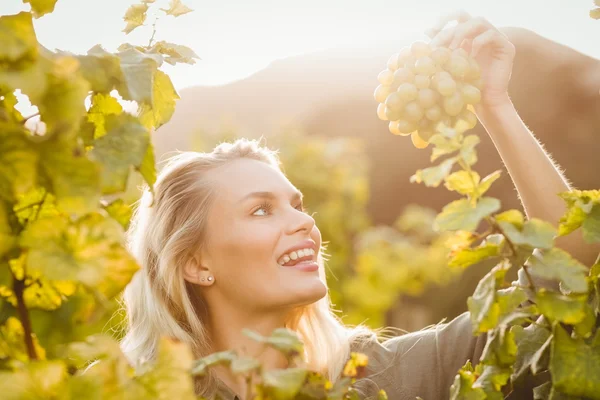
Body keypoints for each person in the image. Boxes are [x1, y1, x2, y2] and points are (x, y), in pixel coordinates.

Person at [120, 12, 595, 400]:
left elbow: (562, 274)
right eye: (261, 209)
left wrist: (495, 104)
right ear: (195, 262)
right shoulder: (134, 392)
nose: (305, 222)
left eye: (298, 204)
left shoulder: (388, 377)